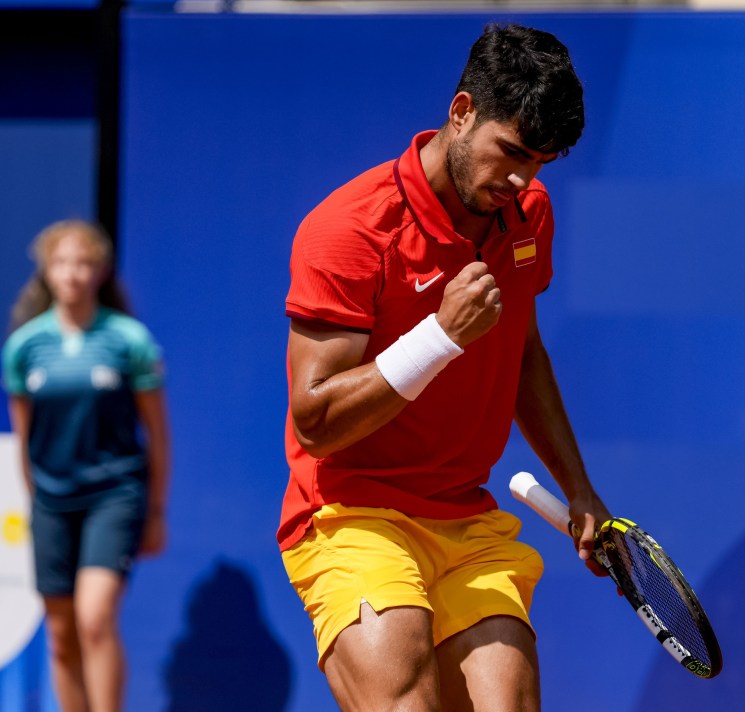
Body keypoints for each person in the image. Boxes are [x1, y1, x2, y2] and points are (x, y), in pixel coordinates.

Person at [278, 23, 610, 711]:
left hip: (464, 518)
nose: (522, 179)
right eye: (511, 152)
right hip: (352, 512)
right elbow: (316, 423)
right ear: (462, 113)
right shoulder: (349, 231)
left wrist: (578, 488)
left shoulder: (527, 214)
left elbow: (521, 352)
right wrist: (439, 337)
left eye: (541, 162)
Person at [1, 219, 170, 712]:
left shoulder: (129, 341)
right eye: (61, 263)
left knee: (93, 618)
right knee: (60, 633)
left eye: (83, 263)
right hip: (51, 501)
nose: (71, 274)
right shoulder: (24, 347)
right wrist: (36, 502)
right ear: (46, 271)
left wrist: (155, 510)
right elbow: (23, 438)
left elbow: (157, 434)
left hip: (114, 494)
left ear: (100, 271)